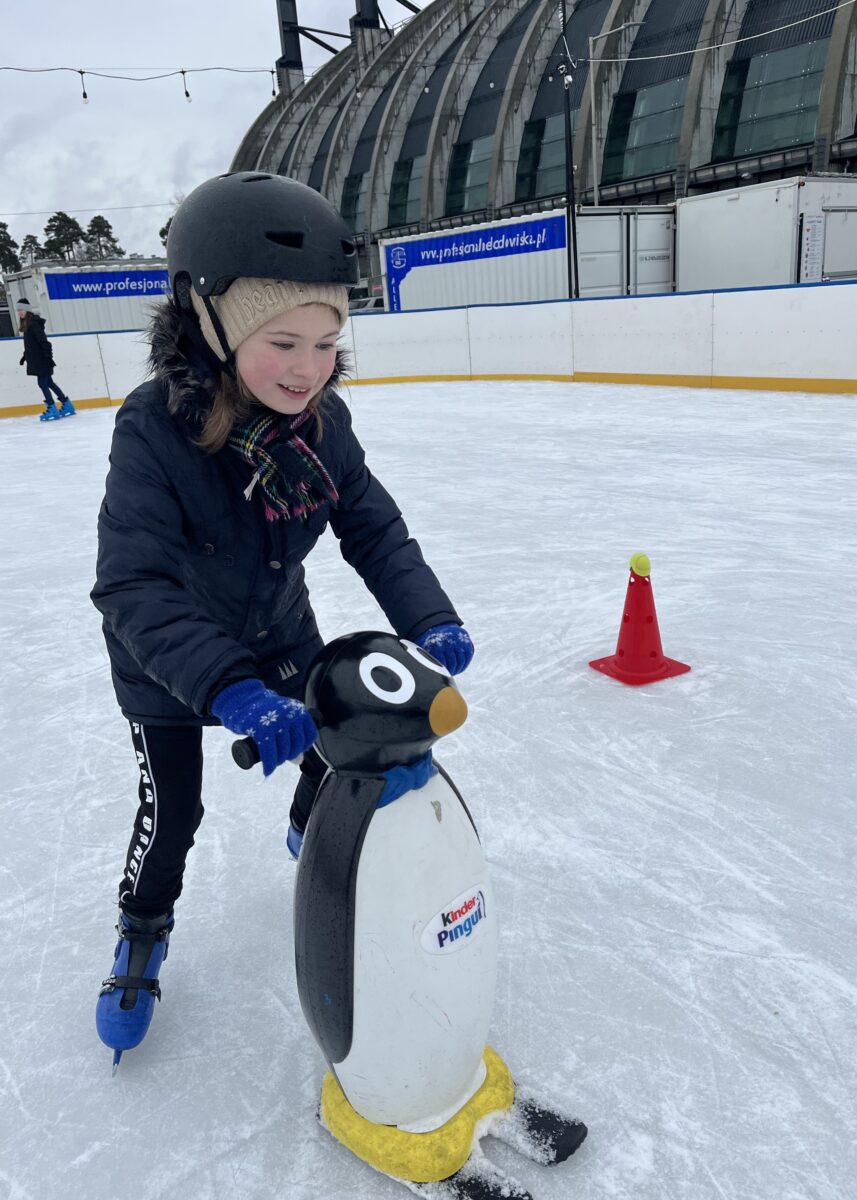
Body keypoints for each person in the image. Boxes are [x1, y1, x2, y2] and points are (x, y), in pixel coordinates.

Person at [90, 171, 474, 1064]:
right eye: (284, 342)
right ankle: (143, 929)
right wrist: (229, 690)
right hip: (167, 671)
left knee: (335, 750)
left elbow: (370, 523)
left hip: (280, 636)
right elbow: (133, 584)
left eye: (329, 343)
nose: (308, 370)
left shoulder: (321, 425)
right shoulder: (153, 431)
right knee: (172, 814)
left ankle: (309, 815)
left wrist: (431, 618)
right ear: (211, 323)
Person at [16, 299, 76, 421]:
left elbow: (44, 342)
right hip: (38, 359)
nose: (20, 312)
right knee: (49, 383)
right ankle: (67, 404)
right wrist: (25, 356)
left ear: (27, 310)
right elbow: (31, 345)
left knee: (42, 383)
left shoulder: (33, 324)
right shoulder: (28, 325)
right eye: (18, 310)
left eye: (22, 309)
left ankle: (52, 407)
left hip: (42, 360)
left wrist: (48, 357)